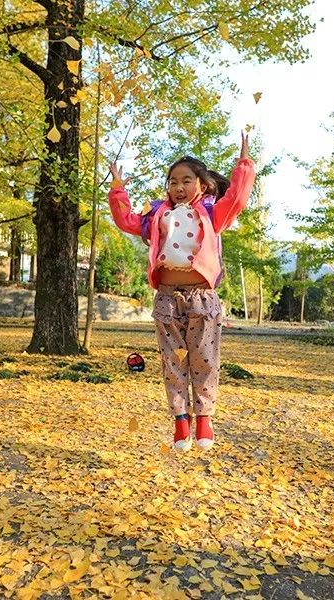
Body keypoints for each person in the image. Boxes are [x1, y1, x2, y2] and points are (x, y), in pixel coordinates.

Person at [108, 132, 255, 451]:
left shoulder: (212, 214)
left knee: (204, 360)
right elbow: (126, 220)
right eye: (173, 181)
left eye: (186, 180)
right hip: (167, 300)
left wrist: (244, 163)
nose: (178, 186)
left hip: (202, 300)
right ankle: (180, 420)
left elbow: (237, 198)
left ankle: (204, 418)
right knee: (173, 362)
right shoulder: (157, 215)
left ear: (202, 185)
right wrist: (118, 188)